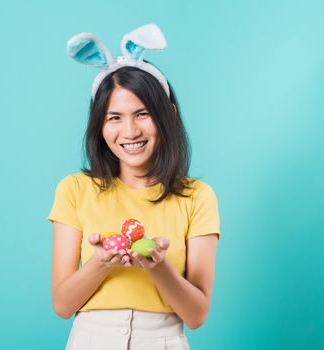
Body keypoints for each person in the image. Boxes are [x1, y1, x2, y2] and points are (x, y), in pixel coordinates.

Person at [47, 24, 220, 350]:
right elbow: (62, 305)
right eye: (114, 117)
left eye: (142, 114)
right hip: (90, 340)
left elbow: (197, 316)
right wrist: (101, 262)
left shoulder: (198, 197)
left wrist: (158, 266)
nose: (129, 131)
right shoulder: (74, 190)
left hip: (165, 340)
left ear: (167, 115)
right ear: (99, 126)